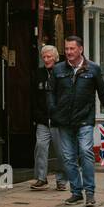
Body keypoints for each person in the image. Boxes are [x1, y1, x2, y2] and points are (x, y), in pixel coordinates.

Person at [49, 35, 104, 207]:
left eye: (72, 49)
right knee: (68, 157)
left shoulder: (93, 69)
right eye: (66, 49)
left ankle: (90, 193)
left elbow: (103, 92)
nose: (69, 52)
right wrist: (53, 111)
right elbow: (50, 93)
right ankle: (76, 192)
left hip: (85, 119)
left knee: (86, 152)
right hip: (63, 121)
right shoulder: (58, 70)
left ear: (81, 49)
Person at [30, 45, 66, 191]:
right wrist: (37, 116)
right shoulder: (38, 73)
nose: (46, 59)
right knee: (40, 147)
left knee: (61, 151)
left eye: (49, 57)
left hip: (59, 120)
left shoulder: (63, 73)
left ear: (55, 57)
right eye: (44, 57)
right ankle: (41, 178)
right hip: (43, 119)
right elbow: (33, 97)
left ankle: (61, 180)